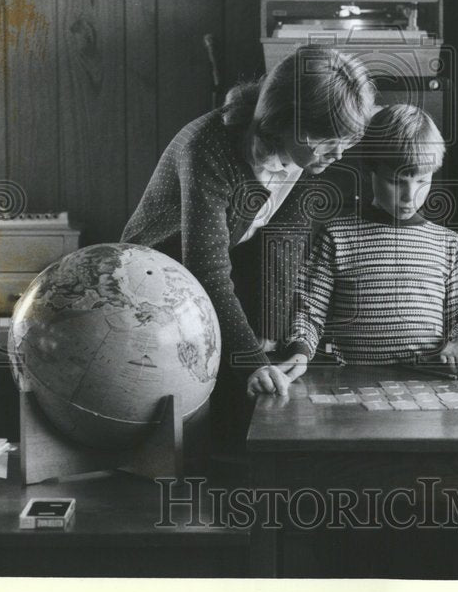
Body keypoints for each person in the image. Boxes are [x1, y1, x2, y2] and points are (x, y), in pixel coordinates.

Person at [121, 47, 376, 402]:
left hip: (224, 266)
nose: (339, 154)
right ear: (283, 121)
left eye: (347, 140)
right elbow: (205, 268)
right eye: (327, 140)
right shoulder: (206, 148)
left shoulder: (308, 158)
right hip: (150, 282)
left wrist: (279, 345)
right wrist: (252, 361)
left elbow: (285, 249)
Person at [274, 104, 458, 381]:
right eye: (396, 182)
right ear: (369, 172)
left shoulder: (448, 244)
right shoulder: (336, 236)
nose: (410, 196)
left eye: (422, 180)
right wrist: (299, 352)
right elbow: (308, 311)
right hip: (354, 382)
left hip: (427, 383)